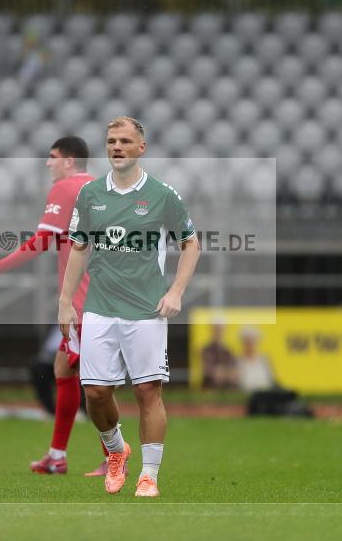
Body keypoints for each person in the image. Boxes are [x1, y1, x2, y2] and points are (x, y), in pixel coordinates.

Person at [59, 116, 201, 498]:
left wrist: (176, 292)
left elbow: (191, 243)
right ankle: (116, 450)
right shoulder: (90, 195)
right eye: (110, 141)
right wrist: (64, 303)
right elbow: (78, 247)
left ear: (142, 148)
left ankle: (149, 475)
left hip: (146, 311)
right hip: (100, 308)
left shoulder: (161, 195)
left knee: (147, 392)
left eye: (124, 140)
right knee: (95, 394)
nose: (116, 147)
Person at [0, 137, 109, 476]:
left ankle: (114, 457)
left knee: (97, 387)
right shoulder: (104, 188)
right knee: (66, 370)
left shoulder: (66, 189)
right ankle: (57, 455)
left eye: (53, 157)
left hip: (83, 304)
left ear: (70, 160)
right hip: (107, 299)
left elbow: (42, 240)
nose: (49, 164)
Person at [201, 321, 237, 389]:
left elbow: (233, 371)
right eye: (216, 330)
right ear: (212, 331)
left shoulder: (228, 350)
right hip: (210, 388)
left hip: (227, 387)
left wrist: (224, 372)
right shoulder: (206, 350)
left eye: (220, 330)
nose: (218, 332)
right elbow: (208, 370)